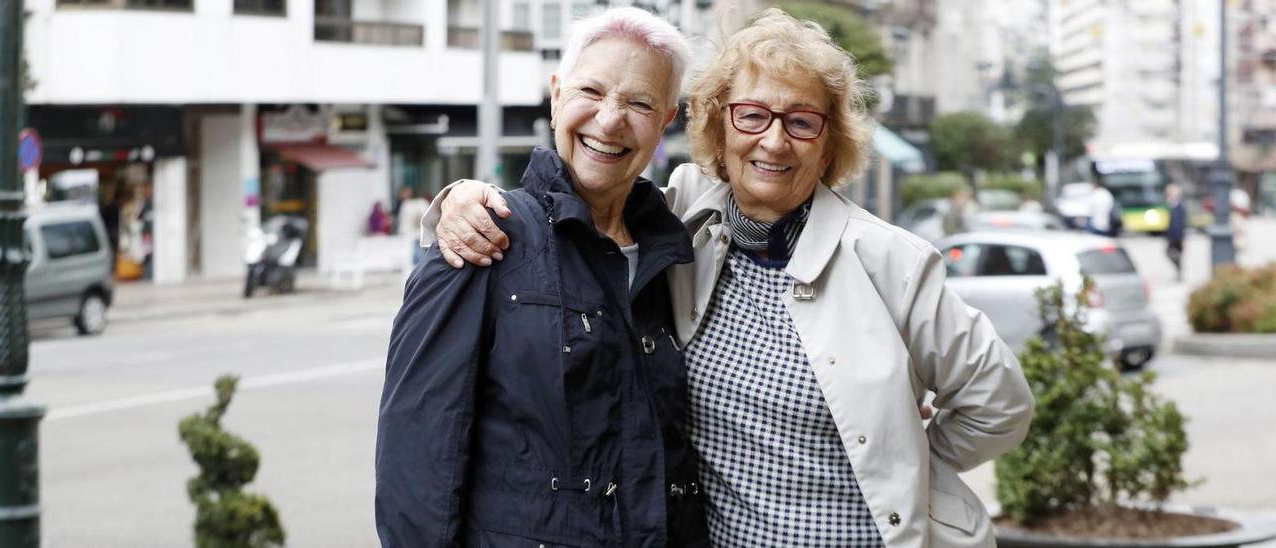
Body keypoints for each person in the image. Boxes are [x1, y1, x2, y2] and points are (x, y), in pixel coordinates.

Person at [425, 9, 1034, 547]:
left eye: (802, 122)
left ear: (829, 145)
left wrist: (895, 455)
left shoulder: (890, 260)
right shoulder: (683, 217)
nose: (774, 140)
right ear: (717, 128)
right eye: (751, 116)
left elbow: (999, 405)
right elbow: (589, 198)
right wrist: (461, 197)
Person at [376, 8, 709, 548]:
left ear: (666, 120)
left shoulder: (678, 253)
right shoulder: (481, 237)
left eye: (639, 103)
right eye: (591, 91)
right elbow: (417, 464)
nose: (609, 119)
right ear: (556, 95)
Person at [395, 189, 430, 266]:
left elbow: (403, 220)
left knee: (417, 256)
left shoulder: (406, 205)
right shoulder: (422, 203)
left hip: (414, 234)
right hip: (417, 234)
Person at [1165, 183, 1187, 281]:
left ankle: (1179, 270)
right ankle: (1179, 270)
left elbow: (1181, 223)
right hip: (1171, 235)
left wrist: (1181, 237)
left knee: (1174, 253)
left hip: (1178, 236)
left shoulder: (1180, 207)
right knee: (1171, 253)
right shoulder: (1169, 206)